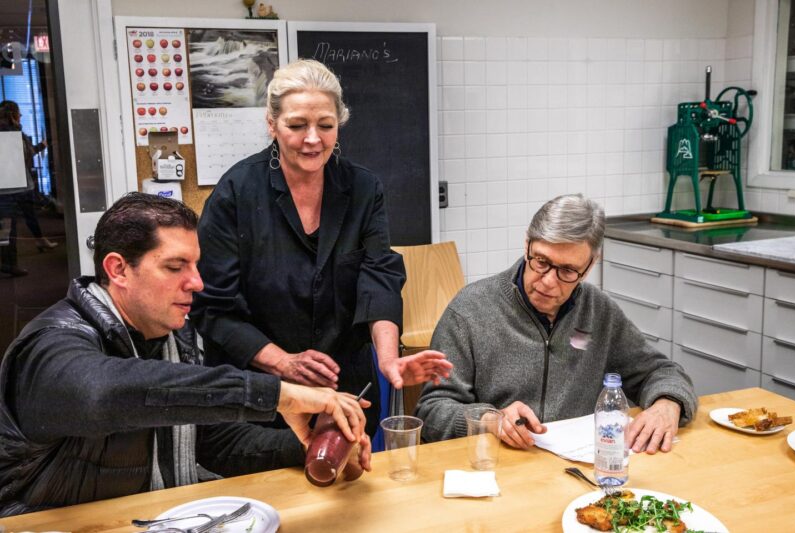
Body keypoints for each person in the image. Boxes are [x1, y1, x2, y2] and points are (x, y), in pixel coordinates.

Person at [0, 193, 371, 517]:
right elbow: (106, 394)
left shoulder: (174, 334)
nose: (197, 283)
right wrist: (279, 395)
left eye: (195, 266)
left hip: (146, 518)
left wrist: (318, 444)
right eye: (176, 267)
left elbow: (214, 443)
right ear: (118, 269)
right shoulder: (50, 344)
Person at [190, 59, 452, 433]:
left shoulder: (363, 189)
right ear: (272, 125)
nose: (313, 138)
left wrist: (389, 359)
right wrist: (283, 363)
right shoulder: (236, 193)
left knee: (346, 480)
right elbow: (213, 308)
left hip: (343, 386)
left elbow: (379, 276)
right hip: (262, 394)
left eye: (326, 126)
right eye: (297, 126)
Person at [416, 194, 698, 454]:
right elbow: (432, 411)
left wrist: (667, 404)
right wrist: (489, 419)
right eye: (541, 261)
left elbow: (661, 372)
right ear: (527, 245)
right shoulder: (469, 311)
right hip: (497, 469)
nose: (548, 281)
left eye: (567, 270)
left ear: (589, 266)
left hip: (578, 470)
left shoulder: (598, 311)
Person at [0, 101, 57, 257]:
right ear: (13, 115)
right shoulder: (13, 133)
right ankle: (10, 261)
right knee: (17, 221)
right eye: (19, 114)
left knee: (11, 223)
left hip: (10, 186)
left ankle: (36, 242)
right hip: (18, 186)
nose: (20, 117)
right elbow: (24, 154)